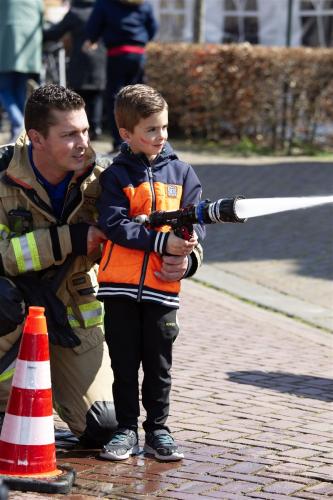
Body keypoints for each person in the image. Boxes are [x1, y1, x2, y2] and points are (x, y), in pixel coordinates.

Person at [0, 83, 202, 447]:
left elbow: (161, 223)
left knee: (105, 427)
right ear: (36, 138)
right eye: (69, 135)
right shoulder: (1, 175)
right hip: (7, 307)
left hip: (70, 311)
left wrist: (187, 259)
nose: (83, 143)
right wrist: (72, 240)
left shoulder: (105, 178)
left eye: (86, 131)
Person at [96, 84, 205, 462]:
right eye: (152, 130)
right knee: (124, 363)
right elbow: (114, 225)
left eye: (164, 127)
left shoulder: (183, 172)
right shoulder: (115, 176)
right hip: (119, 291)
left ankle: (159, 429)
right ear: (127, 134)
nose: (162, 136)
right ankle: (126, 429)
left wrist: (188, 245)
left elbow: (196, 220)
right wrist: (161, 244)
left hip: (163, 290)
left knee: (159, 365)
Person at [83, 0, 158, 152]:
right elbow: (153, 28)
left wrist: (92, 39)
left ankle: (119, 141)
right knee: (139, 99)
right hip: (138, 54)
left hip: (117, 54)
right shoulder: (144, 4)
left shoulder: (105, 3)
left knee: (115, 98)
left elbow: (92, 28)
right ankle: (141, 140)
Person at [44, 0, 107, 140]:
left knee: (79, 97)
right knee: (96, 96)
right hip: (101, 59)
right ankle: (96, 128)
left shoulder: (75, 13)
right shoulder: (102, 10)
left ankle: (80, 128)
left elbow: (55, 33)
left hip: (80, 61)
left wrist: (40, 32)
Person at [0, 0, 43, 143]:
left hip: (6, 40)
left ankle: (19, 124)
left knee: (4, 88)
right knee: (19, 87)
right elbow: (41, 14)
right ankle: (20, 129)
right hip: (29, 43)